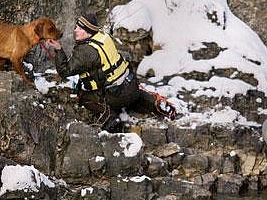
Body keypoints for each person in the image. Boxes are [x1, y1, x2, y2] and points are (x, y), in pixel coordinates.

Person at [47, 13, 176, 130]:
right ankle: (156, 103)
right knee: (133, 94)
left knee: (84, 96)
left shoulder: (86, 51)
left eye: (80, 29)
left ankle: (111, 119)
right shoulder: (103, 36)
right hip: (131, 84)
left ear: (89, 32)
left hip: (116, 96)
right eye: (76, 27)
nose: (76, 30)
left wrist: (58, 49)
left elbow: (65, 71)